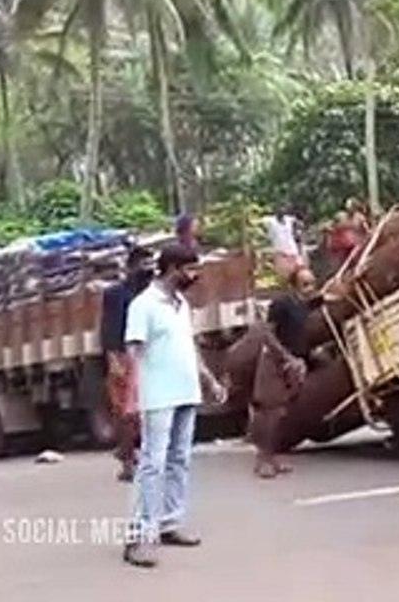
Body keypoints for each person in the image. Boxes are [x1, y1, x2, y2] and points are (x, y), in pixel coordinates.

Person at [122, 244, 228, 569]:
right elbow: (133, 350)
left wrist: (209, 381)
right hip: (158, 395)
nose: (195, 276)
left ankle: (168, 522)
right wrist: (132, 393)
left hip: (186, 391)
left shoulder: (181, 305)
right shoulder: (144, 305)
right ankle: (139, 536)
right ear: (171, 269)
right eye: (190, 269)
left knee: (179, 459)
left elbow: (188, 346)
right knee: (153, 463)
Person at [249, 267, 315, 478]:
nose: (309, 289)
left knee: (282, 413)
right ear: (293, 285)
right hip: (275, 362)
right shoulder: (281, 303)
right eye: (305, 284)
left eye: (312, 283)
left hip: (293, 363)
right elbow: (266, 333)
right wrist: (285, 357)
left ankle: (273, 457)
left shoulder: (304, 306)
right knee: (269, 411)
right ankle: (263, 460)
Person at [99, 246, 154, 483]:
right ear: (131, 267)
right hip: (124, 355)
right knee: (126, 413)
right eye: (143, 264)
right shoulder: (115, 294)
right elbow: (109, 328)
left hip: (149, 355)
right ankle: (128, 460)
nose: (148, 269)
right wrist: (113, 359)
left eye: (151, 264)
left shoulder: (154, 293)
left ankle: (143, 456)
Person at [266, 206, 305, 281]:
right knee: (283, 274)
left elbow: (299, 223)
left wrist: (298, 231)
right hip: (280, 251)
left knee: (299, 268)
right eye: (280, 212)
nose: (282, 213)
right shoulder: (271, 221)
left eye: (283, 212)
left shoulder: (288, 220)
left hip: (292, 250)